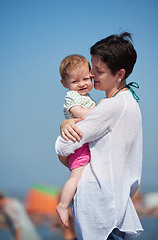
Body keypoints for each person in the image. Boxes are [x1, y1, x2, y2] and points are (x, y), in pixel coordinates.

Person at [55, 32, 143, 240]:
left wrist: (66, 125)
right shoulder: (130, 101)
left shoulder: (111, 106)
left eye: (98, 70)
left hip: (101, 207)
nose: (91, 74)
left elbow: (63, 147)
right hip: (116, 203)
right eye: (92, 67)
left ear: (120, 74)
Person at [56, 54, 96, 229]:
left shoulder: (88, 97)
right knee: (76, 176)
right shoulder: (71, 97)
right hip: (77, 144)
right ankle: (63, 205)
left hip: (84, 143)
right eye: (75, 81)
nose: (82, 84)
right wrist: (100, 111)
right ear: (65, 84)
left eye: (86, 78)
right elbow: (78, 112)